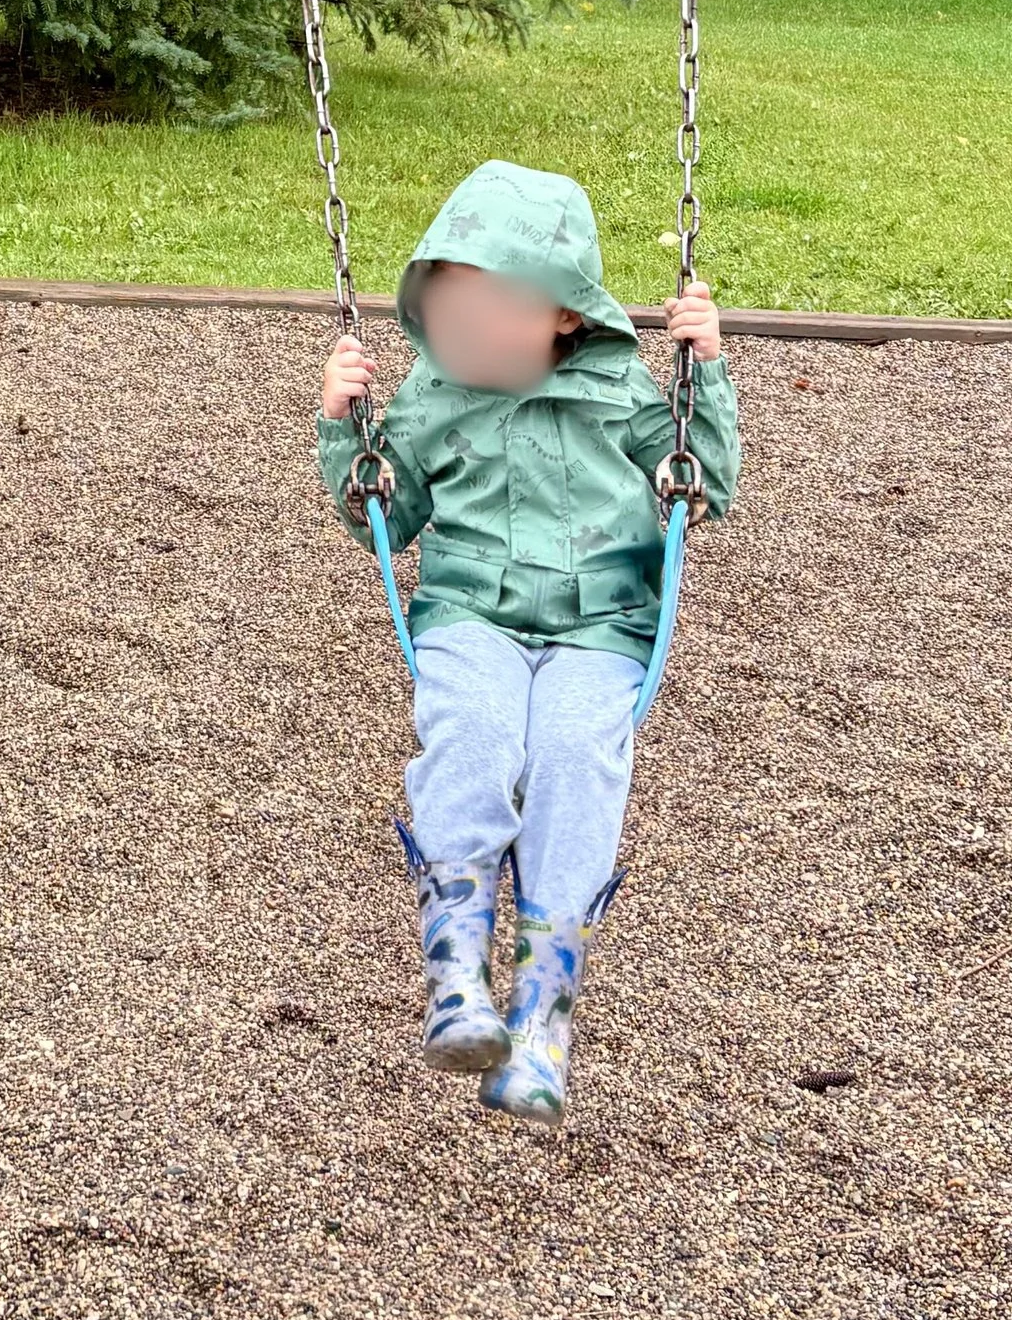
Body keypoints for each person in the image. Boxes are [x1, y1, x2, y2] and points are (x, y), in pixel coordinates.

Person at [317, 159, 739, 1125]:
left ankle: (544, 1013)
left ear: (563, 316)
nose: (468, 333)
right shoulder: (430, 396)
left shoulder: (626, 394)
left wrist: (705, 370)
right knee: (473, 736)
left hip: (602, 628)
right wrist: (348, 429)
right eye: (453, 309)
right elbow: (386, 513)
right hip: (472, 614)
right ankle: (457, 974)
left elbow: (704, 484)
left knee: (574, 757)